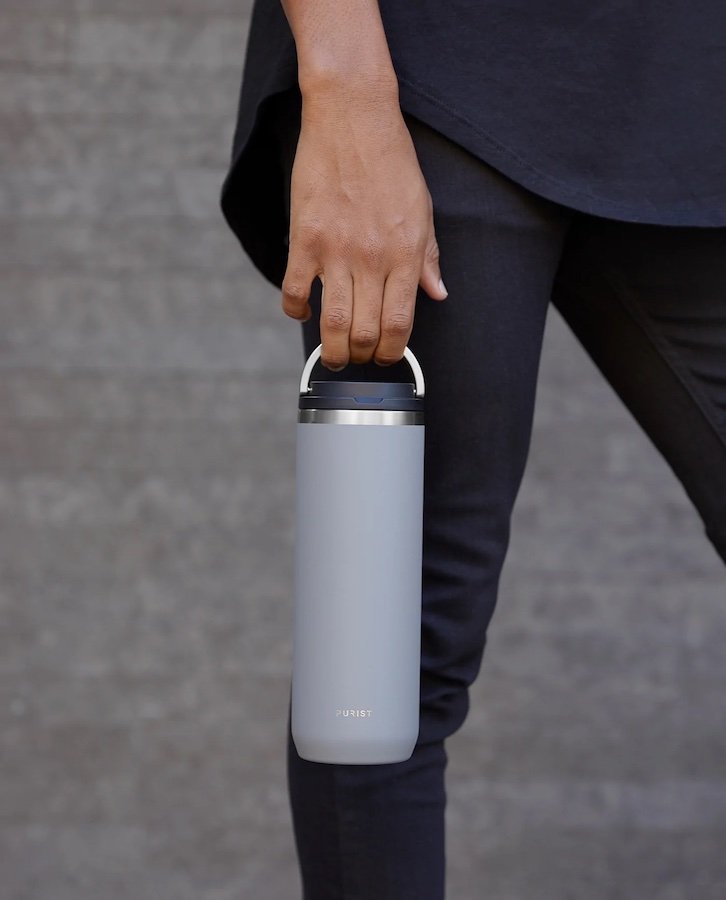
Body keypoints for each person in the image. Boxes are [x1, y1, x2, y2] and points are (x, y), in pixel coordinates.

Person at [220, 2, 726, 896]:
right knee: (378, 668)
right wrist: (346, 92)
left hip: (688, 79)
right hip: (432, 75)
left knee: (385, 660)